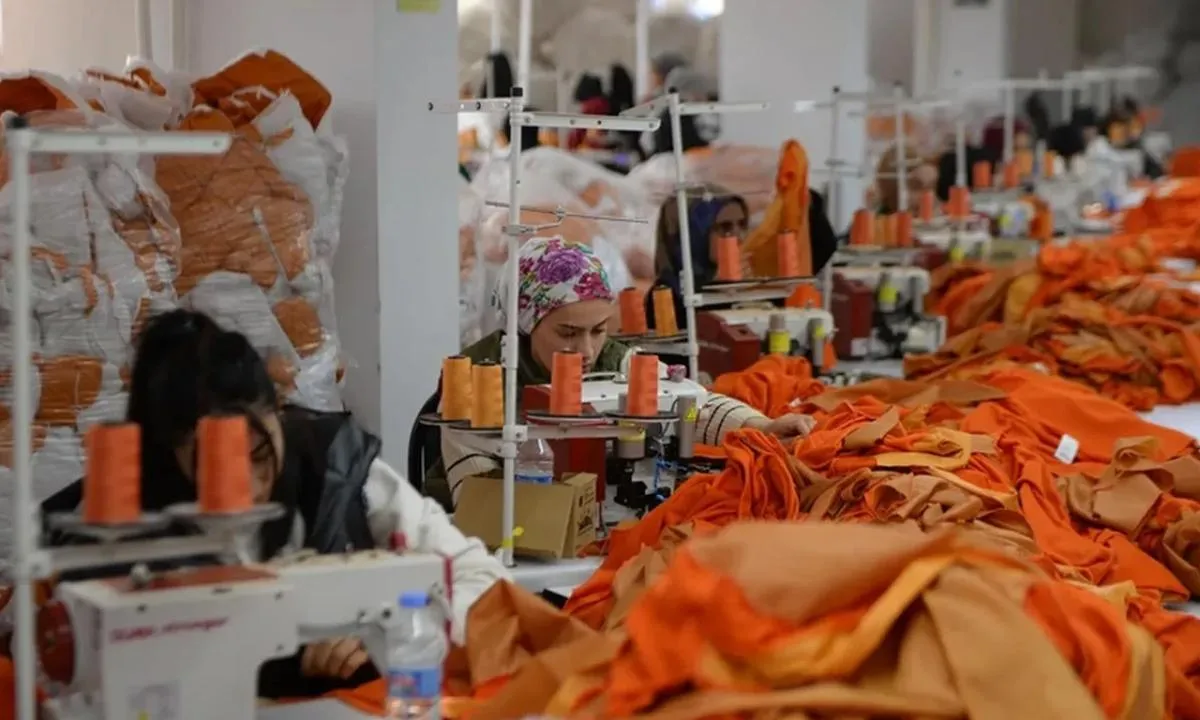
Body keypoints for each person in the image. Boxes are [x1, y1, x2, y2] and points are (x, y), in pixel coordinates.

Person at [40, 310, 508, 698]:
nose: (248, 485)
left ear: (279, 413)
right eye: (216, 464)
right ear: (168, 454)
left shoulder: (339, 473)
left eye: (260, 454)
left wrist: (396, 632)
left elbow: (485, 583)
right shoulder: (114, 534)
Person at [435, 237, 816, 501]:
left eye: (599, 330)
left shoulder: (617, 362)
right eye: (568, 333)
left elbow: (693, 407)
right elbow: (475, 495)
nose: (586, 351)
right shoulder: (475, 380)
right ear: (524, 322)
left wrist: (760, 426)